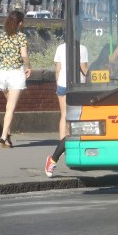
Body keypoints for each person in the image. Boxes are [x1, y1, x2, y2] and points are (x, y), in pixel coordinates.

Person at [0, 10, 32, 148]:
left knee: (9, 105)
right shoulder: (21, 37)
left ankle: (8, 136)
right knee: (10, 108)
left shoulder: (1, 36)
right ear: (20, 23)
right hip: (16, 74)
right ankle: (3, 137)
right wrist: (29, 67)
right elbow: (24, 55)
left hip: (3, 74)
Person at [45, 42, 89, 177]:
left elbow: (58, 70)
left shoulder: (60, 47)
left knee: (64, 115)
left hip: (62, 84)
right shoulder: (82, 48)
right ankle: (59, 151)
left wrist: (58, 84)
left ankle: (62, 144)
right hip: (78, 87)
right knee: (76, 119)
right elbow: (84, 70)